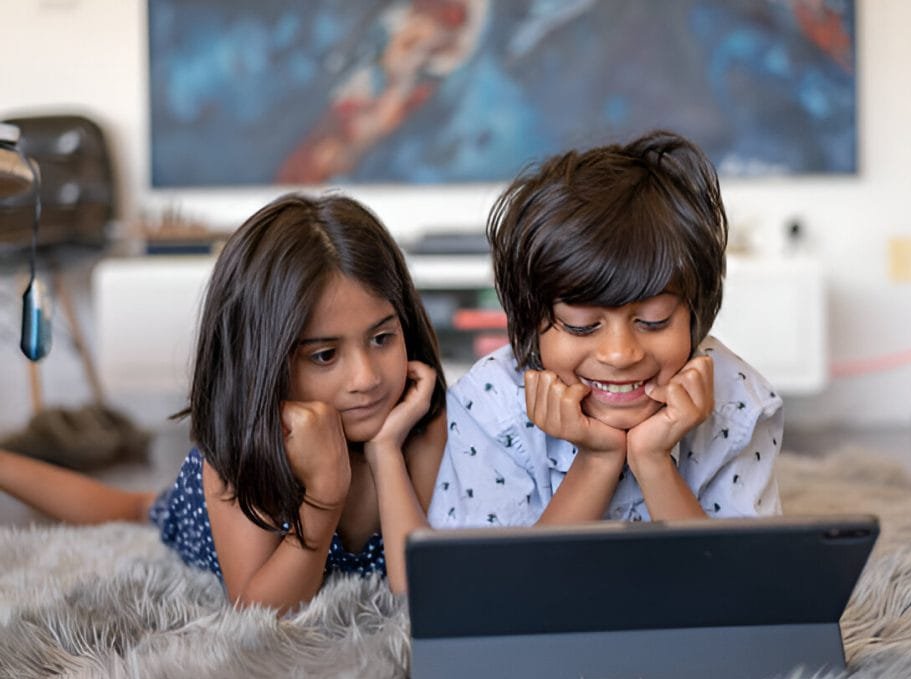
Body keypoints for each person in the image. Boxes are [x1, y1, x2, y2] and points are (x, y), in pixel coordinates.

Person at [0, 193, 446, 611]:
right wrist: (324, 497)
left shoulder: (418, 423)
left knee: (136, 503)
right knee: (138, 509)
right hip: (207, 509)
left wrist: (386, 452)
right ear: (263, 357)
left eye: (382, 338)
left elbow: (421, 587)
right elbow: (260, 607)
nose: (366, 378)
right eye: (325, 355)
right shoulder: (241, 450)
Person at [427, 130, 782, 528]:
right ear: (529, 322)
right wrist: (597, 459)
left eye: (653, 321)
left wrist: (653, 462)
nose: (619, 354)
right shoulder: (488, 406)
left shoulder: (738, 401)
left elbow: (735, 584)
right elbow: (505, 584)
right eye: (582, 326)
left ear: (694, 314)